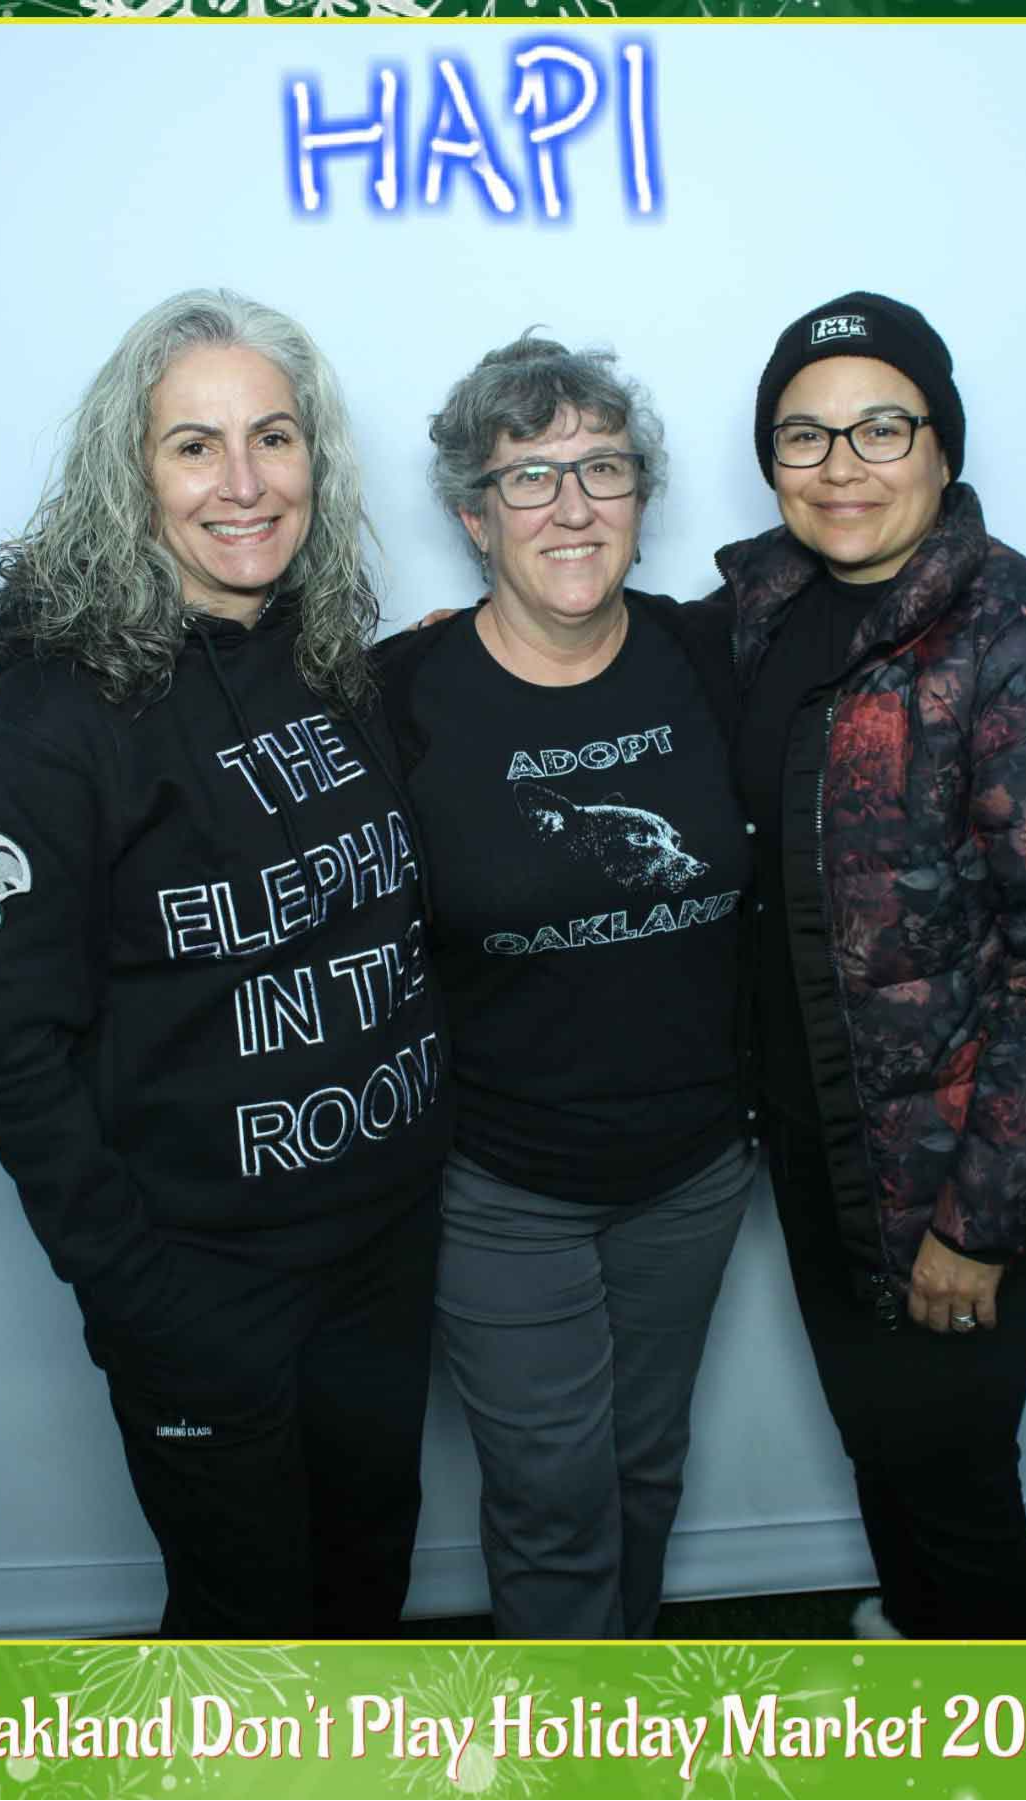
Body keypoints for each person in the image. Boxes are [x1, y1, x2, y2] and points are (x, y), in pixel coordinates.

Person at [0, 289, 452, 1640]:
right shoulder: (55, 718)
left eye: (275, 437)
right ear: (128, 473)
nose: (243, 483)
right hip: (207, 1280)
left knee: (366, 1593)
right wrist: (137, 1289)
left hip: (383, 1245)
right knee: (247, 1633)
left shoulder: (325, 660)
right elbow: (7, 1042)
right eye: (194, 445)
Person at [374, 332, 757, 1639]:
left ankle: (622, 1722)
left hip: (696, 1169)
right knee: (550, 1498)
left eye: (601, 467)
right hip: (501, 1182)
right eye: (527, 478)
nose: (572, 504)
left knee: (642, 1473)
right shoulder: (397, 695)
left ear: (643, 498)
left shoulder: (715, 658)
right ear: (474, 519)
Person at [710, 290, 1026, 1638]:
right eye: (803, 437)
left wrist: (977, 1226)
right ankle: (914, 1657)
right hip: (815, 1148)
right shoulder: (757, 607)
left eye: (879, 427)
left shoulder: (1017, 643)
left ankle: (987, 1720)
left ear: (941, 446)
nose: (840, 466)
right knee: (885, 1453)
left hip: (952, 1172)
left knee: (956, 1484)